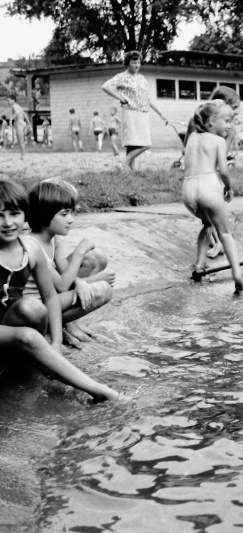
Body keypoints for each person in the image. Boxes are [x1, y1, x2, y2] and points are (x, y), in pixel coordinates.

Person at [0, 180, 119, 402]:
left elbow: (52, 296)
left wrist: (55, 342)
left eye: (14, 214)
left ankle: (93, 387)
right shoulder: (31, 242)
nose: (7, 223)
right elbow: (62, 285)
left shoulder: (30, 250)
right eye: (0, 216)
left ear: (25, 215)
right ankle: (97, 390)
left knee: (32, 314)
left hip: (14, 316)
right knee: (29, 329)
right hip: (10, 326)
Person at [23, 179, 115, 349]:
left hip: (49, 297)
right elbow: (63, 285)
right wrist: (80, 252)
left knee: (98, 272)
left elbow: (66, 271)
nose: (72, 220)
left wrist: (80, 282)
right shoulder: (32, 245)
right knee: (102, 290)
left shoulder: (53, 239)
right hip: (35, 309)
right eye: (64, 214)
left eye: (72, 213)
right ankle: (53, 327)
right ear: (45, 213)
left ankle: (67, 323)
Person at [182, 101, 243, 295]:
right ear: (211, 121)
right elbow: (223, 171)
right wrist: (228, 187)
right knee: (225, 233)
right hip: (208, 186)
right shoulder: (218, 141)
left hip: (188, 190)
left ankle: (200, 265)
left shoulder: (192, 137)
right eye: (227, 121)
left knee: (207, 224)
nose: (229, 126)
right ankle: (237, 274)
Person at [102, 50, 169, 171]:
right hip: (130, 112)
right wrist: (120, 98)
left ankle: (131, 173)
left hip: (143, 113)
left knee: (134, 145)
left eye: (139, 62)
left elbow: (147, 99)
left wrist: (161, 114)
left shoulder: (142, 78)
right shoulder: (121, 77)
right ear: (128, 63)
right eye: (134, 62)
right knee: (145, 144)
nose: (137, 65)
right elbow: (106, 86)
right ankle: (123, 163)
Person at [7, 95, 30, 159]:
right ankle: (23, 154)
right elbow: (25, 115)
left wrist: (11, 119)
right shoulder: (19, 106)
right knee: (22, 141)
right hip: (23, 123)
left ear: (13, 100)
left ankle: (23, 155)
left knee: (20, 142)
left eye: (8, 100)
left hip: (18, 123)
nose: (8, 102)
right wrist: (29, 124)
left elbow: (16, 113)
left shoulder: (13, 106)